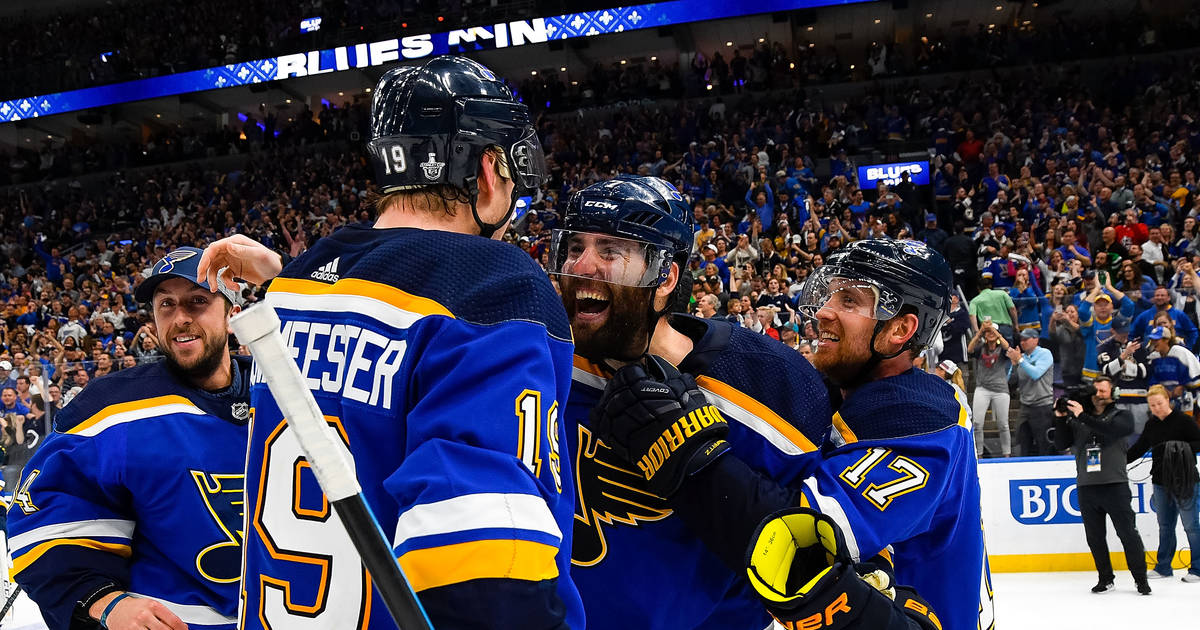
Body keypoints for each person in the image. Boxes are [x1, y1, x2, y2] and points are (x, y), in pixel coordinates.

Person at [202, 56, 583, 629]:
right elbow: (483, 566)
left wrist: (284, 274)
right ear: (485, 173)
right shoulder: (495, 285)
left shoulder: (298, 285)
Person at [548, 175, 903, 629]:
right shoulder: (538, 362)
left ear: (665, 277)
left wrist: (869, 573)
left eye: (611, 251)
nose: (584, 265)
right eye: (574, 247)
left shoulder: (767, 382)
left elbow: (838, 527)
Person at [592, 238, 992, 630]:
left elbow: (797, 544)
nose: (823, 312)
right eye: (828, 295)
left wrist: (686, 451)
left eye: (849, 301)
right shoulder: (844, 395)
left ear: (901, 329)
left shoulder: (919, 419)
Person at [7, 246, 249, 630]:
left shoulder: (283, 392)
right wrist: (103, 602)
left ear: (233, 314)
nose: (180, 318)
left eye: (198, 301)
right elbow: (44, 515)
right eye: (166, 304)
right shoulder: (110, 407)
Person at [1053, 376, 1151, 595]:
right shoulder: (1079, 419)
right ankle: (1105, 578)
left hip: (1115, 485)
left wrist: (1082, 416)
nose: (1098, 395)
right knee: (1094, 537)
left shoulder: (1121, 416)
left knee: (1127, 533)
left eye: (1103, 391)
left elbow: (1110, 431)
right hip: (1087, 487)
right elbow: (1061, 443)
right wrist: (1060, 418)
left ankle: (1140, 578)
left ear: (1112, 393)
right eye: (1095, 390)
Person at [1127, 385, 1200, 582]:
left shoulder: (1184, 421)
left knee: (1191, 526)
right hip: (1160, 482)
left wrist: (1180, 447)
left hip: (1185, 481)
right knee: (1165, 526)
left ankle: (1198, 569)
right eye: (1152, 405)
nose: (1157, 408)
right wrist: (1118, 461)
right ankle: (1163, 567)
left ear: (1168, 400)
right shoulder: (1151, 425)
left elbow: (1198, 442)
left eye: (1159, 403)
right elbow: (1138, 449)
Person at [1097, 318, 1151, 441]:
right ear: (1112, 331)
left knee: (1142, 436)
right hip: (1118, 399)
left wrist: (1122, 366)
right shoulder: (1105, 348)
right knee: (1119, 436)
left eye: (1126, 332)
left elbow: (1145, 372)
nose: (1124, 335)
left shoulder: (1138, 347)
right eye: (1120, 332)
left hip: (1140, 399)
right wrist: (1124, 355)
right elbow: (1107, 372)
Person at [968, 320, 1013, 457]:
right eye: (988, 332)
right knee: (977, 423)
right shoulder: (980, 347)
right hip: (982, 389)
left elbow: (1007, 347)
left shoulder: (1002, 349)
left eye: (993, 331)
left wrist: (996, 334)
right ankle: (979, 454)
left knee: (1003, 424)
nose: (990, 334)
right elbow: (969, 349)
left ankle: (1007, 454)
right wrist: (980, 332)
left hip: (1000, 390)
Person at [1010, 328, 1056, 455]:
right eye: (1021, 340)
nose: (1023, 342)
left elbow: (1036, 374)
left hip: (1042, 405)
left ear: (1036, 340)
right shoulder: (1022, 357)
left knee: (1044, 444)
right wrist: (1013, 364)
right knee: (1021, 442)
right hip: (1025, 406)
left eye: (1026, 339)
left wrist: (1019, 360)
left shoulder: (1045, 354)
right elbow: (1011, 381)